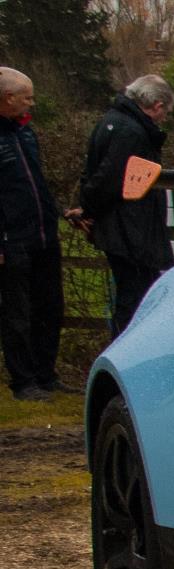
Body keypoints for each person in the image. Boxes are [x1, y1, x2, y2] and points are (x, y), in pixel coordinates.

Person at [78, 75, 174, 337]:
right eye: (165, 112)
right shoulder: (132, 132)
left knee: (131, 294)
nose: (164, 118)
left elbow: (93, 171)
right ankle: (126, 350)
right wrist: (90, 208)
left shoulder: (111, 121)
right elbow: (111, 178)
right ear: (156, 105)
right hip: (130, 229)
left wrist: (87, 207)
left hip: (120, 227)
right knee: (134, 298)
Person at [0, 68, 64, 401]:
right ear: (8, 98)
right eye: (27, 98)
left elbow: (36, 182)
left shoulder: (26, 133)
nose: (32, 104)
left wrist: (58, 213)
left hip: (44, 235)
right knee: (17, 314)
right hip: (12, 239)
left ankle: (46, 374)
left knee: (50, 307)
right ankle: (23, 381)